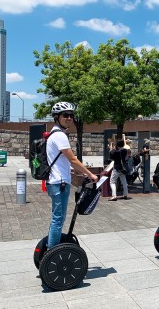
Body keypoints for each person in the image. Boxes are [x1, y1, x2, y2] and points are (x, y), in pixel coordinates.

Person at [46, 102, 99, 249]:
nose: (69, 118)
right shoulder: (59, 135)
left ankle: (51, 250)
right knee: (58, 219)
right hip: (59, 183)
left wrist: (77, 172)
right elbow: (73, 159)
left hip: (56, 182)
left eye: (71, 115)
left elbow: (63, 162)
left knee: (57, 218)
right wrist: (90, 174)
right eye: (65, 115)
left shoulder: (53, 134)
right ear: (57, 117)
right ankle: (51, 253)